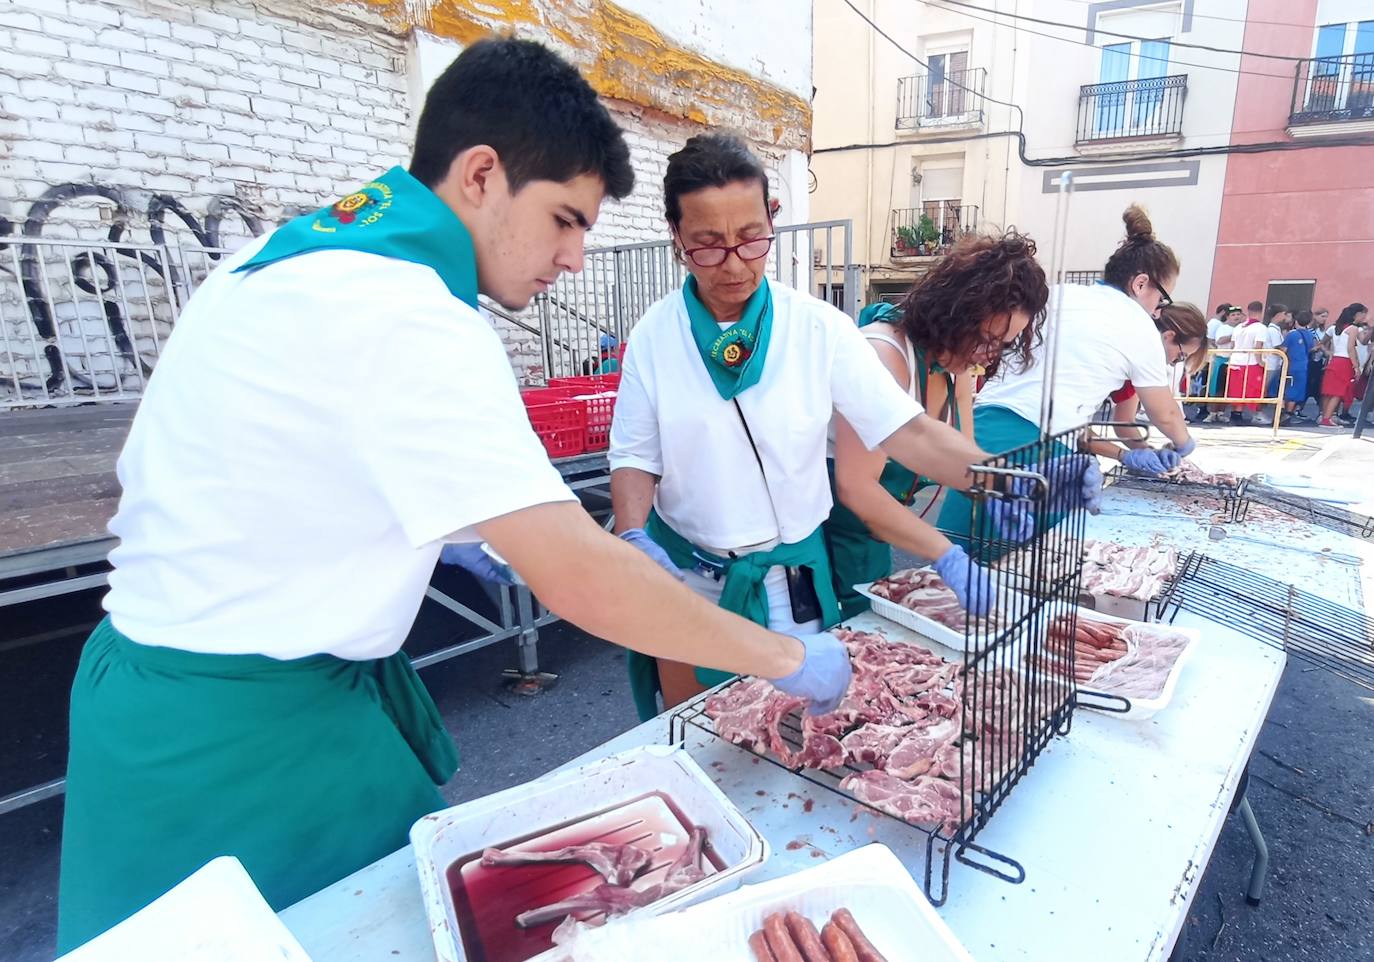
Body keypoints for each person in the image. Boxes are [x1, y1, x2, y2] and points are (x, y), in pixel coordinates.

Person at [56, 40, 856, 953]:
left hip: (161, 697)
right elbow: (581, 581)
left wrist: (453, 532)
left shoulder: (276, 262)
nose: (571, 258)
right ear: (481, 174)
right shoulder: (409, 311)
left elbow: (287, 475)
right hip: (238, 749)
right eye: (563, 219)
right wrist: (787, 659)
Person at [607, 134, 1098, 713]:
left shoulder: (820, 330)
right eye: (708, 246)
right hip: (691, 582)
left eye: (750, 239)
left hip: (793, 584)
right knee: (698, 738)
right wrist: (633, 531)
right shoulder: (653, 336)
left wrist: (1015, 480)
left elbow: (909, 432)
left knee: (794, 747)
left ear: (772, 218)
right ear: (676, 237)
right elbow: (636, 456)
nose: (735, 264)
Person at [937, 204, 1193, 544]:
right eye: (1162, 300)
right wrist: (1185, 445)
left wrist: (1125, 454)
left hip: (982, 427)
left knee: (952, 555)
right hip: (1039, 450)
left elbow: (1063, 404)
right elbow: (1166, 413)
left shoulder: (1057, 295)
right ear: (1141, 283)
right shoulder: (1137, 323)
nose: (1159, 310)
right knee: (1020, 574)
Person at [825, 232, 1048, 618]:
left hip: (877, 537)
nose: (986, 355)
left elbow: (959, 453)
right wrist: (945, 554)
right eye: (984, 338)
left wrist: (998, 488)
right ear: (954, 310)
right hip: (834, 537)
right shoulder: (883, 355)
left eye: (1002, 345)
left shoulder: (955, 365)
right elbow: (857, 487)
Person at [1080, 303, 1208, 472]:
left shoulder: (1135, 370)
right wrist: (1123, 455)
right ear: (1168, 337)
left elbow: (1124, 422)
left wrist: (1147, 452)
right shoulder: (1113, 354)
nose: (1172, 363)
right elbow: (1166, 415)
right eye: (1180, 356)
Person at [1319, 303, 1368, 426]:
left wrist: (1328, 352)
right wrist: (1356, 366)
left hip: (1335, 359)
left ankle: (1325, 416)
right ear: (1358, 314)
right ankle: (1327, 418)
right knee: (1338, 391)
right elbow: (1351, 347)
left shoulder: (1337, 327)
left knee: (1328, 390)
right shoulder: (1353, 329)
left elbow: (1323, 343)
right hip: (1345, 361)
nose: (1364, 317)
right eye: (1363, 314)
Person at [1225, 301, 1268, 425]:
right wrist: (1260, 362)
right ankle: (1256, 414)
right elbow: (1258, 346)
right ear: (1261, 311)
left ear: (1248, 311)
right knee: (1253, 389)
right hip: (1251, 362)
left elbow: (1233, 345)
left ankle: (1236, 414)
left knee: (1237, 389)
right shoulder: (1261, 328)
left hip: (1235, 360)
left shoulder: (1239, 327)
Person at [1281, 310, 1319, 423]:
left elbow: (1284, 350)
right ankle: (1289, 413)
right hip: (1303, 365)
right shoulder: (1309, 334)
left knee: (1284, 388)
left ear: (1295, 320)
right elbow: (1311, 348)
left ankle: (1282, 412)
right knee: (1296, 390)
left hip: (1291, 365)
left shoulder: (1292, 334)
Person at [1260, 303, 1291, 419]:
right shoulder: (1272, 330)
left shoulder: (1276, 329)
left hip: (1275, 364)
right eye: (1284, 314)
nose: (1286, 317)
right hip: (1271, 364)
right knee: (1265, 388)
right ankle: (1259, 412)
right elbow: (1278, 347)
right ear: (1278, 315)